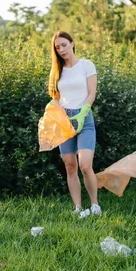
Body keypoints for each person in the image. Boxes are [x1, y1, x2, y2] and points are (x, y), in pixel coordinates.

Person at [48, 31, 100, 217]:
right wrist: (56, 113)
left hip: (83, 118)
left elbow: (92, 93)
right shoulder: (56, 71)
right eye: (57, 47)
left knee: (85, 165)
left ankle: (94, 205)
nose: (61, 49)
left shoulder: (86, 65)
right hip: (64, 121)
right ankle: (78, 207)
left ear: (72, 43)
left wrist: (83, 112)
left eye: (64, 44)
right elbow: (55, 98)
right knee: (70, 166)